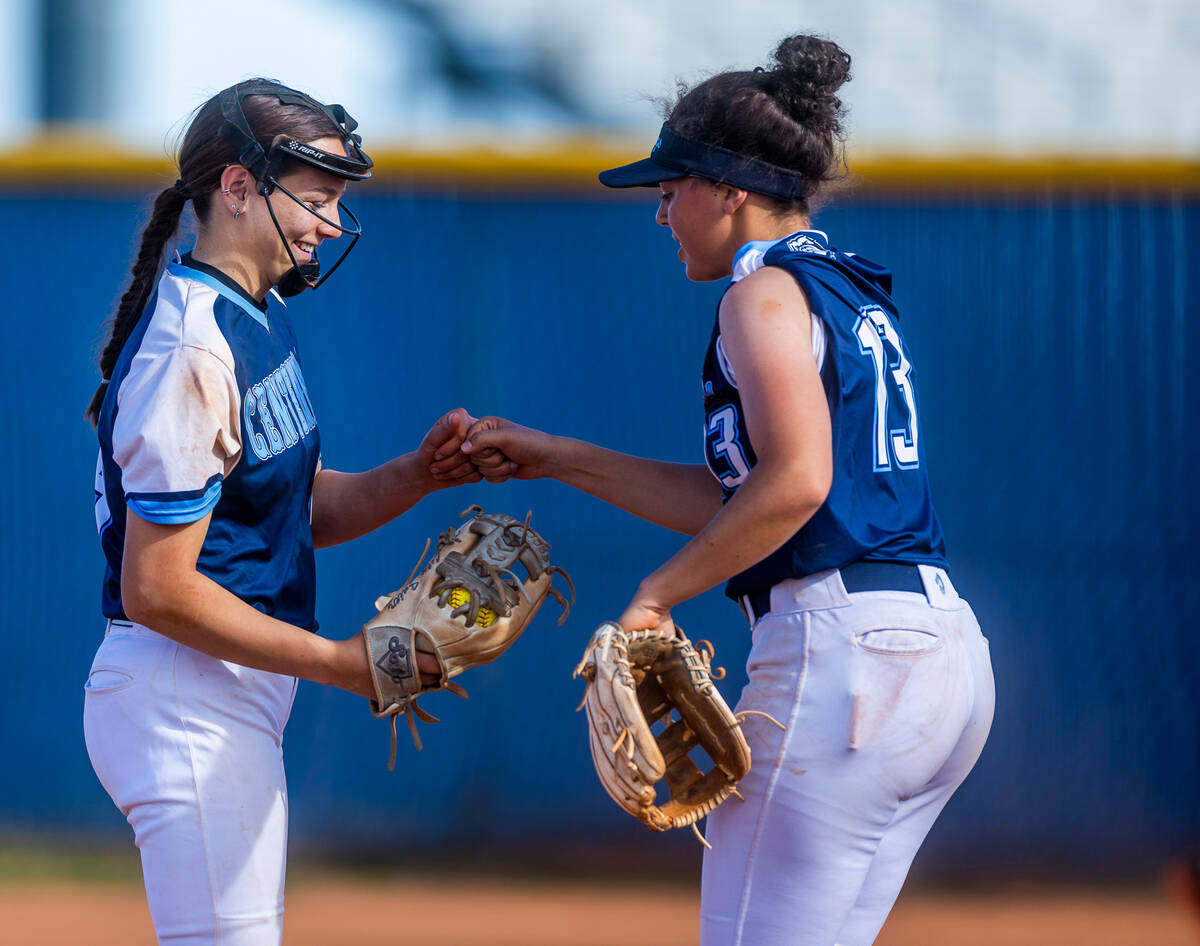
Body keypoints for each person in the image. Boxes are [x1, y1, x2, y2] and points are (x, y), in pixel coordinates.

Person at [461, 34, 995, 946]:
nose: (662, 212)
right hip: (939, 662)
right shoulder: (841, 289)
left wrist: (655, 596)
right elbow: (755, 500)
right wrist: (556, 456)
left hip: (843, 661)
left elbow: (796, 480)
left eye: (673, 189)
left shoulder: (760, 296)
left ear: (731, 188)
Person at [82, 79, 478, 944]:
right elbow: (157, 589)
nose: (330, 223)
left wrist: (417, 476)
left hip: (221, 685)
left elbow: (297, 512)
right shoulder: (196, 346)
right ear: (235, 187)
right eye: (317, 196)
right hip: (183, 690)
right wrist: (342, 662)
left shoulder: (253, 315)